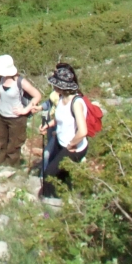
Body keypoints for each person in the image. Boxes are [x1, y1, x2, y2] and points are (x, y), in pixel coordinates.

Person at [40, 64, 89, 198]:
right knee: (60, 175)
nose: (53, 86)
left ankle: (51, 202)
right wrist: (48, 125)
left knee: (50, 174)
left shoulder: (76, 103)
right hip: (61, 143)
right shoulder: (62, 98)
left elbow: (83, 131)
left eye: (56, 83)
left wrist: (71, 144)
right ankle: (62, 197)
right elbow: (59, 119)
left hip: (74, 148)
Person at [0, 54, 42, 166]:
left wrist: (25, 110)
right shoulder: (1, 78)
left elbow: (37, 95)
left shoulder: (20, 82)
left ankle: (11, 166)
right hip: (1, 115)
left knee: (14, 143)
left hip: (16, 118)